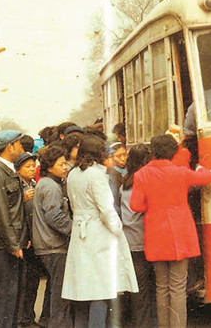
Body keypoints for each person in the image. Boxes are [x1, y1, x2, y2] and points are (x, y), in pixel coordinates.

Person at [131, 134, 211, 328]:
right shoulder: (180, 172)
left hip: (155, 233)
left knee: (161, 286)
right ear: (174, 152)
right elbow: (207, 177)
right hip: (180, 234)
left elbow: (135, 205)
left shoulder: (141, 174)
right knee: (177, 287)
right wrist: (200, 166)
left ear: (152, 151)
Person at [62, 134, 138, 328]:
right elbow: (105, 209)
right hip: (98, 234)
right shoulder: (96, 175)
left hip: (80, 233)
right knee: (101, 290)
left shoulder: (73, 173)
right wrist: (118, 230)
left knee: (81, 291)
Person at [0, 130, 30, 328]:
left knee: (13, 292)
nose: (21, 147)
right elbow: (1, 214)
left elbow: (15, 209)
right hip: (3, 245)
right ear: (10, 147)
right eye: (18, 144)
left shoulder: (7, 171)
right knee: (7, 293)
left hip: (12, 241)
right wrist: (13, 244)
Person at [32, 145, 73, 328]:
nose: (65, 167)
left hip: (46, 244)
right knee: (60, 291)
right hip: (53, 245)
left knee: (53, 287)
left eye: (66, 164)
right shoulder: (51, 187)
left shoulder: (46, 183)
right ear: (50, 167)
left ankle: (47, 321)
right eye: (61, 164)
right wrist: (75, 230)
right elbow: (53, 216)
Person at [119, 144, 157, 328]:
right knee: (145, 289)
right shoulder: (144, 182)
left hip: (128, 239)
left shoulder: (124, 182)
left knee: (137, 288)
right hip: (141, 240)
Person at [15, 152, 50, 328]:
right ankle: (23, 318)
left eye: (32, 166)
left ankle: (28, 316)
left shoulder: (35, 184)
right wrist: (22, 199)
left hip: (35, 240)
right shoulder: (16, 187)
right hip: (23, 240)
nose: (31, 170)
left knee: (33, 281)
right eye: (26, 167)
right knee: (25, 282)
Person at [107, 141, 127, 216]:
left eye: (125, 155)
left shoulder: (130, 170)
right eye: (118, 156)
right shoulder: (110, 173)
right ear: (111, 157)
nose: (123, 159)